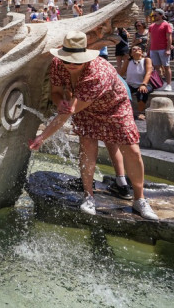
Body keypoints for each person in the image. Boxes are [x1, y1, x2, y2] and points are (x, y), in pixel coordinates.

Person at [28, 31, 158, 220]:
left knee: (132, 150)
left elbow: (68, 113)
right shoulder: (58, 63)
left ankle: (139, 199)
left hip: (114, 105)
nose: (71, 65)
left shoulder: (97, 73)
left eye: (76, 61)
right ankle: (88, 196)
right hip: (84, 106)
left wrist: (42, 137)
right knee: (87, 146)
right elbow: (56, 91)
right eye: (67, 60)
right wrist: (59, 102)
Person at [121, 46, 153, 120]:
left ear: (142, 53)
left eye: (139, 49)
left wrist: (143, 84)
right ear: (131, 53)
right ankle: (125, 111)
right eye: (134, 49)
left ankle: (140, 112)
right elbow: (121, 73)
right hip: (130, 84)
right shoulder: (128, 61)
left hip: (144, 83)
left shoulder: (147, 60)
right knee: (122, 91)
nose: (137, 50)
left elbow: (149, 72)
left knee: (142, 92)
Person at [147, 9, 173, 91]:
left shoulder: (166, 24)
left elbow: (169, 38)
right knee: (157, 67)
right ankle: (158, 83)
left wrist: (168, 49)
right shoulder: (151, 26)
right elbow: (150, 39)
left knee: (166, 67)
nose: (154, 17)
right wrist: (148, 50)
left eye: (155, 15)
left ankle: (169, 84)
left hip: (163, 48)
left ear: (161, 15)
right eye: (153, 15)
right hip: (153, 49)